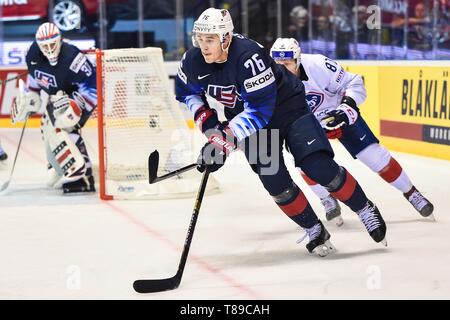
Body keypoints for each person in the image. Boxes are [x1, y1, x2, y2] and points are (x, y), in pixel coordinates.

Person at [175, 8, 387, 257]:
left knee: (317, 166)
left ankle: (364, 208)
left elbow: (260, 110)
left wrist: (224, 140)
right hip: (246, 120)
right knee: (275, 181)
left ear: (226, 37)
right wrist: (212, 131)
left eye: (209, 40)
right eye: (199, 39)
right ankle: (314, 228)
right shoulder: (192, 61)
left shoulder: (248, 57)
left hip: (287, 108)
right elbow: (188, 94)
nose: (204, 46)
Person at [269, 38, 434, 226]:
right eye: (277, 64)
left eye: (287, 64)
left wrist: (344, 110)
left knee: (375, 156)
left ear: (298, 60)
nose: (281, 69)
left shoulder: (319, 65)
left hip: (338, 112)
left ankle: (412, 193)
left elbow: (355, 83)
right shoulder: (268, 78)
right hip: (307, 124)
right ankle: (327, 199)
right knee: (305, 164)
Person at [11, 22, 96, 193]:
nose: (49, 49)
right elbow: (35, 76)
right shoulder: (33, 53)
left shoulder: (73, 58)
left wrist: (77, 105)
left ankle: (82, 176)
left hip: (80, 96)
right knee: (46, 125)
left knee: (62, 124)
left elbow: (94, 87)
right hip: (60, 96)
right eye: (45, 46)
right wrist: (31, 97)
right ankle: (62, 167)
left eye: (52, 44)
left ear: (60, 40)